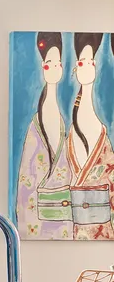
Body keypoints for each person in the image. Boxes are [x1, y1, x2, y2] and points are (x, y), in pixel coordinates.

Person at [16, 33, 72, 238]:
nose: (55, 68)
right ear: (43, 66)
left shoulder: (63, 121)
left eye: (58, 64)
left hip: (63, 216)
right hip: (38, 214)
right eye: (50, 64)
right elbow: (26, 179)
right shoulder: (35, 126)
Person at [67, 33, 114, 239]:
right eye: (82, 62)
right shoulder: (71, 131)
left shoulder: (101, 128)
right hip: (77, 227)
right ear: (75, 68)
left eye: (91, 62)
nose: (87, 66)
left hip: (104, 228)